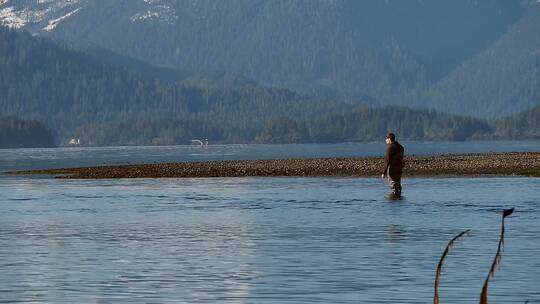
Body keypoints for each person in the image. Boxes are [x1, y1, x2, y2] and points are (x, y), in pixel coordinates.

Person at [381, 133, 405, 198]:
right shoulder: (401, 147)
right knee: (398, 183)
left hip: (392, 168)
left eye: (386, 139)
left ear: (389, 139)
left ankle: (393, 197)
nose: (385, 140)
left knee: (393, 183)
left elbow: (387, 161)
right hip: (399, 168)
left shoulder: (390, 148)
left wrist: (384, 172)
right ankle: (399, 196)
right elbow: (401, 158)